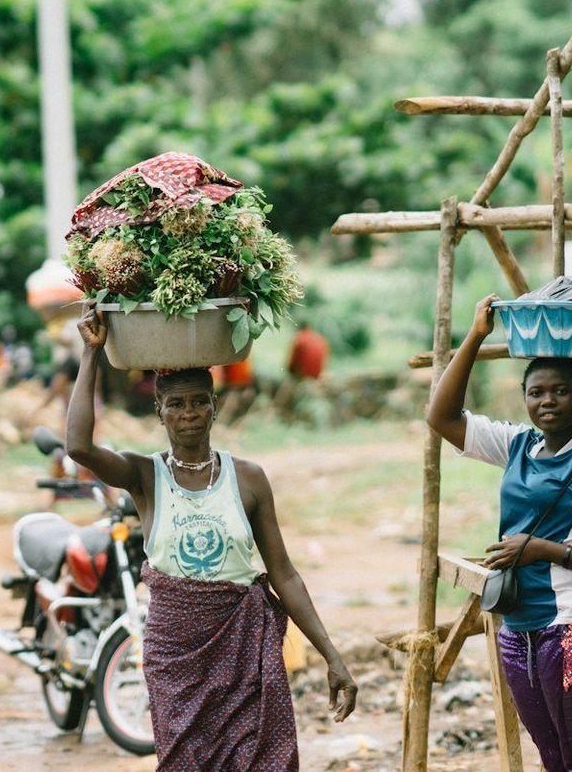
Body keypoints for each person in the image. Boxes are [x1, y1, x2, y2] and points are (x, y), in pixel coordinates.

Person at [66, 306, 357, 769]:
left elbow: (283, 573)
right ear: (159, 411)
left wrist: (332, 656)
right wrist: (90, 352)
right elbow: (78, 446)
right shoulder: (146, 476)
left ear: (215, 406)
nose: (189, 414)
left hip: (245, 651)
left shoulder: (248, 479)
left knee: (262, 760)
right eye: (176, 404)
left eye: (199, 401)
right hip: (176, 658)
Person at [427, 296, 572, 772]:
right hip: (518, 631)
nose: (548, 402)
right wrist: (476, 335)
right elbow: (441, 417)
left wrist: (545, 551)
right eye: (537, 393)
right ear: (525, 398)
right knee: (551, 758)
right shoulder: (517, 445)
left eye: (561, 392)